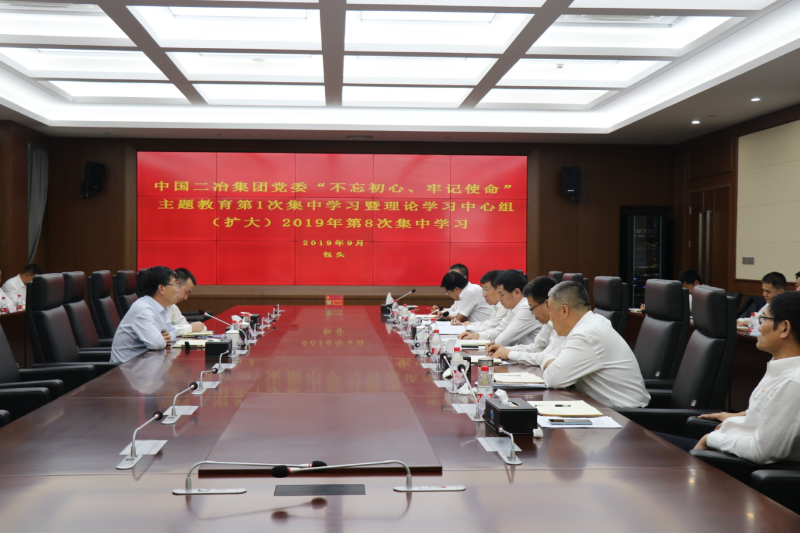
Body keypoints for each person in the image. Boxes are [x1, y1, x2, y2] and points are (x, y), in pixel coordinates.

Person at [693, 292, 800, 464]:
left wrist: (710, 439)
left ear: (784, 328)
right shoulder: (780, 368)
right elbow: (768, 415)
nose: (759, 327)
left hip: (735, 466)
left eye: (763, 320)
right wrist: (736, 418)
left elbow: (761, 451)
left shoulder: (793, 382)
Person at [540, 281, 650, 408]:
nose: (550, 319)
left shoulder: (587, 334)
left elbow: (552, 379)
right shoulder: (588, 325)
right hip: (605, 408)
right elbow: (548, 356)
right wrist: (553, 363)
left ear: (564, 310)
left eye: (551, 311)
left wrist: (553, 364)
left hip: (626, 415)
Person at [489, 275, 565, 366]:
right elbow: (536, 348)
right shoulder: (549, 323)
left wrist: (509, 354)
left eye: (532, 307)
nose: (532, 313)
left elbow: (545, 357)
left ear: (547, 304)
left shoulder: (563, 325)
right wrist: (505, 349)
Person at [111, 266, 178, 364]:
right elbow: (156, 343)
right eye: (175, 285)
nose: (177, 290)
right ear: (161, 288)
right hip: (126, 369)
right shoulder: (143, 309)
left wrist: (168, 336)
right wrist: (163, 338)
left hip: (143, 364)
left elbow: (173, 331)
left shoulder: (161, 308)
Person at [459, 269, 541, 346]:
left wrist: (478, 340)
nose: (499, 298)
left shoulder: (526, 308)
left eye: (502, 294)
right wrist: (476, 336)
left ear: (517, 292)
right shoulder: (514, 307)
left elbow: (504, 339)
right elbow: (499, 330)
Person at [167, 268, 206, 336]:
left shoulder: (172, 307)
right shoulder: (151, 306)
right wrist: (191, 327)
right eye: (186, 292)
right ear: (176, 285)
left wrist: (199, 327)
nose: (186, 298)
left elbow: (184, 324)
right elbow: (165, 332)